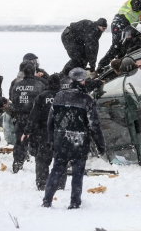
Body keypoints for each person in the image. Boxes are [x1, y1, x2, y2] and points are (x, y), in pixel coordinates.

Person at [42, 68, 106, 209]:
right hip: (80, 141)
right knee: (78, 173)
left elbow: (50, 121)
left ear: (70, 80)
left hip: (61, 139)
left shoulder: (58, 96)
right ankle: (74, 202)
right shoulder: (87, 100)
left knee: (56, 170)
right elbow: (94, 125)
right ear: (83, 81)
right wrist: (101, 145)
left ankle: (47, 200)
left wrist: (51, 139)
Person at [21, 74, 68, 191]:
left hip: (45, 133)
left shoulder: (42, 97)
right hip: (62, 133)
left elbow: (34, 116)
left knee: (42, 160)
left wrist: (27, 130)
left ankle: (42, 184)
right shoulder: (65, 96)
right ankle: (60, 184)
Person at [10, 64, 46, 173]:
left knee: (20, 141)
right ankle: (39, 165)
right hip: (35, 118)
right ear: (34, 72)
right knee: (37, 142)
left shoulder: (16, 85)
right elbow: (43, 102)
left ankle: (17, 163)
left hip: (20, 117)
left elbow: (13, 99)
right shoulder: (40, 85)